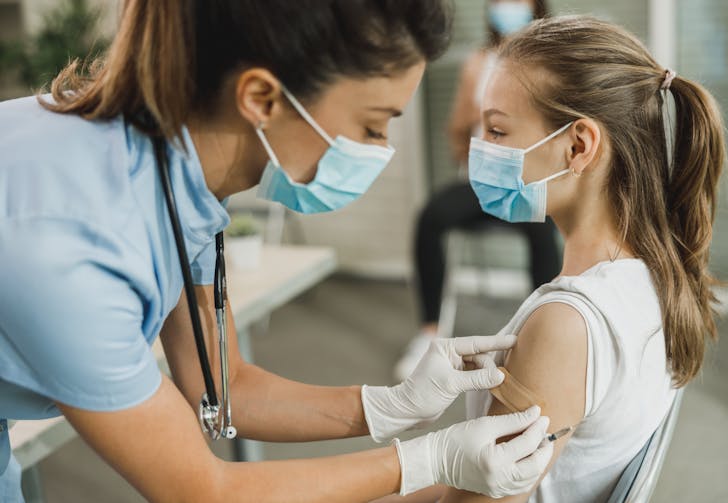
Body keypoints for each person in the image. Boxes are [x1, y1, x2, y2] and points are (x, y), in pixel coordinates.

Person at [0, 2, 559, 502]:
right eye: (371, 127)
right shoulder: (70, 246)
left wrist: (389, 406)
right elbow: (202, 491)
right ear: (261, 98)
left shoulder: (174, 169)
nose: (379, 152)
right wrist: (430, 463)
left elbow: (221, 386)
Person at [383, 14, 726, 503]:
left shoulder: (565, 325)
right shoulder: (658, 276)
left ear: (578, 146)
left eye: (498, 132)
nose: (482, 149)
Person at [395, 0, 560, 382]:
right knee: (431, 217)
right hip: (482, 181)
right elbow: (457, 129)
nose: (508, 6)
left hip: (529, 182)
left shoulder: (552, 61)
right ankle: (430, 334)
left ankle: (545, 334)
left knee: (541, 225)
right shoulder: (478, 63)